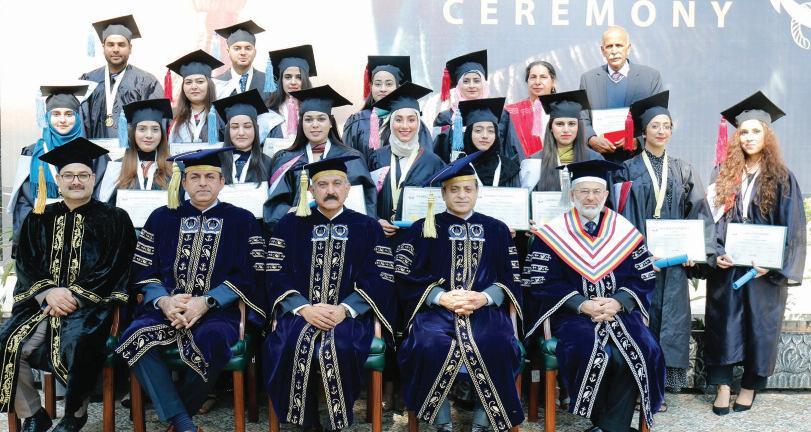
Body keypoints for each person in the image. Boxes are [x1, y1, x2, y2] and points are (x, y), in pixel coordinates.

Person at [115, 147, 266, 432]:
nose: (203, 183)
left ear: (222, 182)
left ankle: (178, 419)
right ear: (183, 182)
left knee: (213, 339)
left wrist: (207, 301)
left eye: (210, 177)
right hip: (166, 309)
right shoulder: (162, 218)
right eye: (195, 177)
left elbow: (252, 273)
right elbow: (142, 270)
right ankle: (184, 425)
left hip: (219, 311)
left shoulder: (242, 221)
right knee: (134, 336)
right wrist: (163, 301)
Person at [0, 138, 136, 432]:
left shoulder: (115, 218)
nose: (76, 181)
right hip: (41, 306)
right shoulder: (38, 219)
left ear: (93, 178)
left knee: (79, 341)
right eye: (69, 175)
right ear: (58, 180)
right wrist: (48, 292)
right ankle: (33, 413)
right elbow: (26, 263)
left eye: (83, 175)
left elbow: (114, 266)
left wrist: (73, 296)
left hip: (90, 307)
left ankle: (75, 413)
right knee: (6, 343)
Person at [524, 159, 665, 432]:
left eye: (596, 191)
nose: (590, 197)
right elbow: (541, 282)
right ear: (572, 195)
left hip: (618, 311)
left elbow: (642, 276)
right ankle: (614, 427)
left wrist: (618, 301)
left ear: (606, 194)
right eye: (584, 191)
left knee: (642, 350)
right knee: (593, 351)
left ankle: (608, 428)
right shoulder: (554, 233)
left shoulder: (624, 231)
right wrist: (582, 304)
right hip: (573, 315)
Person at [263, 155, 396, 431]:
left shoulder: (367, 227)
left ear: (348, 188)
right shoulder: (290, 225)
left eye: (337, 183)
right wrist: (304, 308)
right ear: (311, 190)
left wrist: (345, 309)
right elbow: (275, 272)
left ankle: (338, 420)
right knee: (289, 344)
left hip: (349, 315)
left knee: (342, 346)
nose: (331, 190)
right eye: (322, 185)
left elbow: (380, 276)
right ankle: (306, 421)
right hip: (299, 313)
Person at [395, 152, 524, 432]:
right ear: (443, 194)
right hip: (436, 311)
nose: (462, 195)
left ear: (477, 192)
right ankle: (442, 422)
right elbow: (404, 273)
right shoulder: (423, 228)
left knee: (498, 343)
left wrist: (484, 297)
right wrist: (440, 296)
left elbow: (511, 276)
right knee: (428, 343)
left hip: (485, 310)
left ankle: (482, 422)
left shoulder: (497, 229)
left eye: (467, 189)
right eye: (454, 189)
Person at [704, 92, 806, 415]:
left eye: (755, 131)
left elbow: (792, 226)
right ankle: (722, 386)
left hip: (763, 271)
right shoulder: (723, 174)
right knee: (724, 325)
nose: (748, 137)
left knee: (760, 328)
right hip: (729, 266)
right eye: (743, 132)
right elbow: (709, 219)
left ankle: (749, 385)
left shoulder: (782, 177)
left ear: (767, 135)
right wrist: (715, 253)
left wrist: (773, 263)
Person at [615, 91, 713, 404]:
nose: (661, 131)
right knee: (639, 317)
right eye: (655, 126)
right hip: (642, 260)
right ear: (643, 131)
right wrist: (638, 253)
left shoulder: (684, 169)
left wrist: (695, 252)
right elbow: (622, 217)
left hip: (675, 262)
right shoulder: (627, 169)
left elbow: (699, 211)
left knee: (670, 320)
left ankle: (659, 389)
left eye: (666, 126)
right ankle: (635, 386)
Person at [8, 85, 109, 255]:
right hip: (42, 235)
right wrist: (32, 234)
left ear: (78, 117)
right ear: (47, 117)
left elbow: (102, 196)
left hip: (84, 235)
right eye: (56, 114)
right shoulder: (32, 153)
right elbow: (24, 201)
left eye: (69, 114)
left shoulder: (94, 154)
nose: (62, 120)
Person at [263, 85, 376, 231]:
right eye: (308, 119)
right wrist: (290, 211)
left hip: (343, 233)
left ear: (330, 123)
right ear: (301, 123)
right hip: (299, 231)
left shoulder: (352, 158)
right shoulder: (285, 160)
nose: (315, 125)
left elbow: (366, 204)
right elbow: (275, 205)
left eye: (321, 119)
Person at [368, 82, 445, 238]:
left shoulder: (433, 163)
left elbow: (442, 204)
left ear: (418, 123)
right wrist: (375, 220)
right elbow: (367, 196)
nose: (405, 126)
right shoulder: (377, 157)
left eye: (411, 120)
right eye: (398, 119)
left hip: (418, 239)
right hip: (381, 238)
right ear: (391, 122)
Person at [579, 26, 663, 163]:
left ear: (628, 48)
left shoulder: (650, 77)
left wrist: (638, 141)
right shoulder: (588, 79)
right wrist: (591, 139)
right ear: (602, 50)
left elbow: (658, 117)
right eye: (609, 46)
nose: (614, 51)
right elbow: (582, 118)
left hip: (639, 160)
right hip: (600, 160)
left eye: (619, 45)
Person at [80, 15, 163, 138]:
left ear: (130, 48)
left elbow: (157, 125)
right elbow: (80, 124)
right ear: (103, 47)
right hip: (94, 150)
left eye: (121, 44)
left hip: (132, 150)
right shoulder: (89, 81)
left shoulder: (147, 82)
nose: (116, 49)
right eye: (110, 44)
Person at [433, 50, 523, 164]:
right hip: (458, 174)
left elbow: (512, 152)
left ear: (483, 84)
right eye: (466, 81)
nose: (472, 86)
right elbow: (437, 156)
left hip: (495, 173)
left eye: (476, 81)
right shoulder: (445, 118)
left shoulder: (501, 114)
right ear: (458, 85)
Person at [343, 55, 433, 163]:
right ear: (371, 87)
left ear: (398, 86)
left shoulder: (411, 122)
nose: (383, 89)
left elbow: (425, 161)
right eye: (378, 84)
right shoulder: (357, 121)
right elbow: (348, 160)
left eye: (389, 84)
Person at [520, 90, 603, 192]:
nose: (566, 130)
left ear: (578, 127)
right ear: (551, 127)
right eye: (560, 124)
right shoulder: (535, 162)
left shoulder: (594, 160)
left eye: (572, 124)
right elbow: (527, 199)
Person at [100, 98, 174, 204]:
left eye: (155, 129)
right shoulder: (116, 168)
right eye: (142, 129)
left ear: (162, 134)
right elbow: (106, 207)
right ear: (133, 133)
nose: (149, 135)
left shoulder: (174, 169)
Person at [211, 89, 272, 183]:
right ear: (227, 130)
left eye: (247, 126)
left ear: (256, 129)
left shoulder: (269, 164)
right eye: (235, 127)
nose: (241, 133)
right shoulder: (214, 163)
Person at [459, 97, 520, 187]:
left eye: (491, 131)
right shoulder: (459, 167)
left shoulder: (508, 168)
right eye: (478, 130)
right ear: (468, 133)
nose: (485, 136)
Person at [167, 50, 225, 144]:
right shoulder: (174, 117)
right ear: (183, 87)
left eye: (200, 81)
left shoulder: (222, 116)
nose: (194, 86)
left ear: (209, 85)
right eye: (188, 82)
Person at [263, 44, 317, 140]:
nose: (293, 82)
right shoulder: (269, 112)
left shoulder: (316, 111)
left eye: (299, 77)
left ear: (305, 80)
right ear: (281, 80)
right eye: (288, 77)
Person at [504, 60, 557, 157]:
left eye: (543, 77)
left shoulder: (563, 110)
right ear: (527, 82)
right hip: (523, 165)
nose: (537, 82)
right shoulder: (513, 112)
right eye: (533, 77)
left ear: (553, 82)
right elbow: (507, 150)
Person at [212, 20, 270, 102]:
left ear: (255, 52)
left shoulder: (268, 82)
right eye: (237, 48)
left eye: (248, 48)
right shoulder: (217, 83)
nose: (243, 53)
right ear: (228, 52)